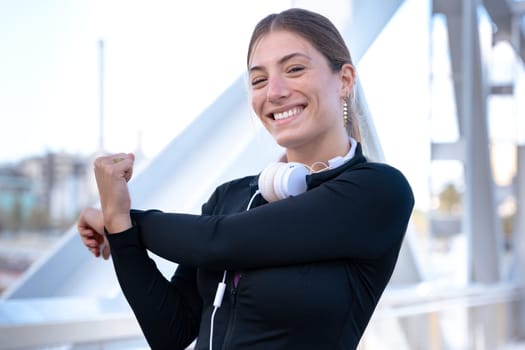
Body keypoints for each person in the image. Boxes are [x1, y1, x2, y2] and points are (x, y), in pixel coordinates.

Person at [78, 7, 414, 350]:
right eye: (259, 79)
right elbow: (171, 332)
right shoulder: (230, 197)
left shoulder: (378, 191)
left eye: (294, 69)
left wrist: (120, 219)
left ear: (344, 80)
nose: (274, 92)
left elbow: (217, 241)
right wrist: (120, 232)